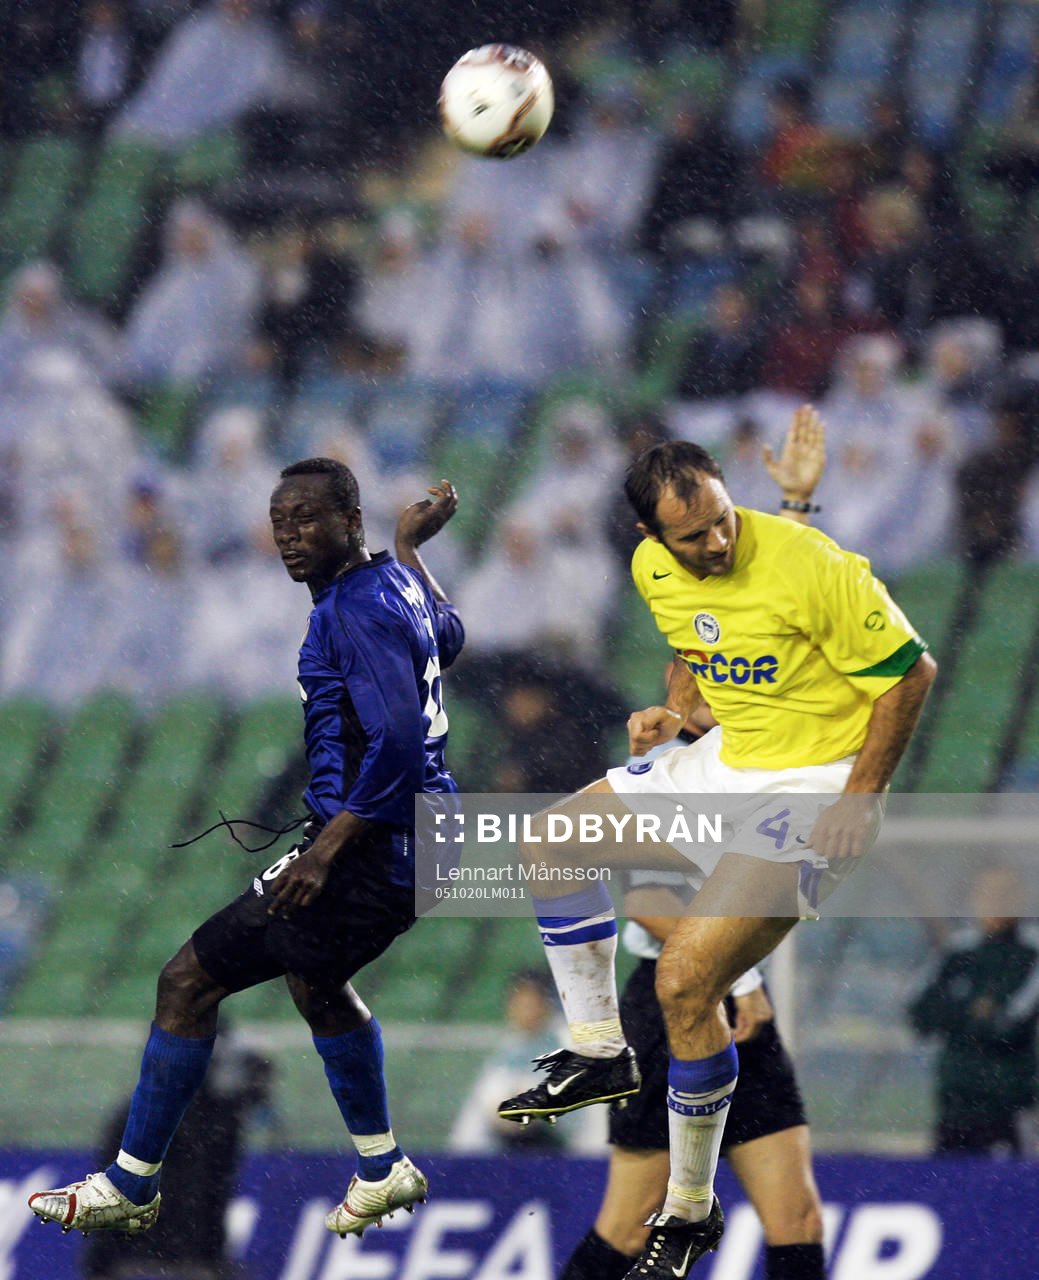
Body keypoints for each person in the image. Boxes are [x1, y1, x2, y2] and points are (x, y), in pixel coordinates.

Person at [497, 402, 937, 1277]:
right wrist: (681, 710)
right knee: (548, 843)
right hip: (730, 768)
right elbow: (713, 649)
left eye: (724, 522)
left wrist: (860, 797)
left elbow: (910, 670)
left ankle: (690, 1211)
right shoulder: (656, 572)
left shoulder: (803, 560)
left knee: (688, 977)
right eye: (692, 537)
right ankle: (598, 1049)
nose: (717, 545)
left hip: (811, 786)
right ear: (648, 537)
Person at [29, 458, 463, 1239]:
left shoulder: (351, 611)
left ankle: (131, 1184)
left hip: (382, 839)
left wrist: (325, 850)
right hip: (425, 836)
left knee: (187, 981)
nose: (290, 535)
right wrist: (412, 551)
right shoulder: (391, 584)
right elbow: (450, 638)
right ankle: (382, 1166)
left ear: (348, 521)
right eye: (279, 522)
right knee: (314, 976)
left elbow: (396, 743)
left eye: (306, 518)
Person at [560, 418, 830, 1280]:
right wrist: (741, 977)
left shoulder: (763, 748)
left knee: (794, 1213)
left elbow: (788, 603)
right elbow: (642, 892)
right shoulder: (666, 768)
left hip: (736, 1006)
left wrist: (794, 504)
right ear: (682, 683)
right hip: (674, 1003)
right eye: (706, 674)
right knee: (632, 1221)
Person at [908, 864, 1039, 1156]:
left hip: (1009, 1106)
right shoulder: (957, 952)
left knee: (1010, 1193)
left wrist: (958, 1015)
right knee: (947, 1189)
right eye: (986, 894)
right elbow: (920, 1016)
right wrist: (974, 1010)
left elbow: (1007, 1027)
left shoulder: (1030, 954)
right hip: (955, 1105)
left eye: (1003, 894)